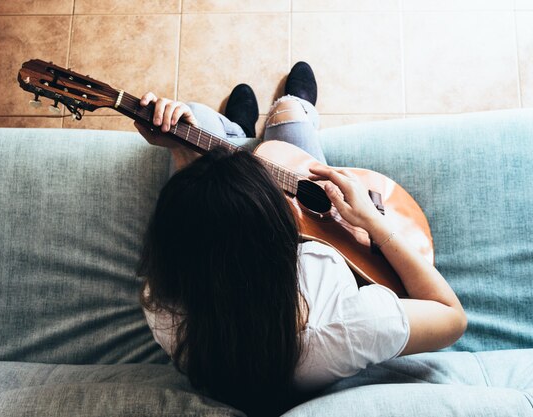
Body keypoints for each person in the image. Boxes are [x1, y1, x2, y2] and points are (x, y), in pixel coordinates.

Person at [135, 62, 467, 417]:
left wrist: (183, 151)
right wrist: (372, 221)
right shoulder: (346, 329)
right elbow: (452, 317)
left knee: (197, 118)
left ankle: (236, 129)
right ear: (287, 235)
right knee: (289, 117)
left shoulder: (162, 305)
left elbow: (207, 237)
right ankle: (293, 109)